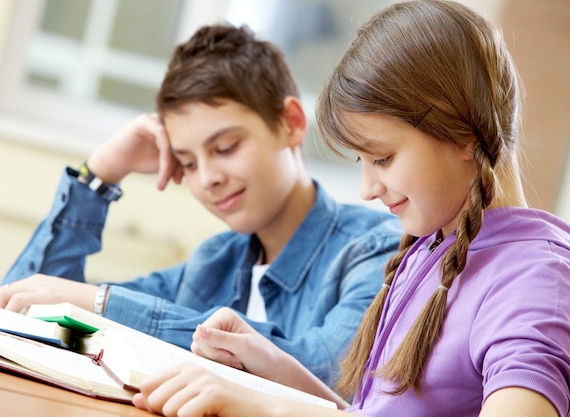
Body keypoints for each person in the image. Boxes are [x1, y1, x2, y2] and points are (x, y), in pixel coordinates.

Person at [130, 1, 570, 416]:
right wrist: (269, 367)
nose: (367, 188)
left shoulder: (535, 279)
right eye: (361, 162)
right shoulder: (432, 248)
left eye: (382, 158)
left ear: (463, 133)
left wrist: (269, 409)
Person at [0, 23, 403, 388]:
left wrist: (100, 304)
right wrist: (99, 174)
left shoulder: (375, 249)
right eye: (187, 162)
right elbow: (22, 306)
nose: (206, 179)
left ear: (291, 123)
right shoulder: (212, 262)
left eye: (225, 147)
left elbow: (328, 374)